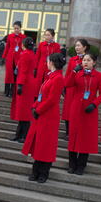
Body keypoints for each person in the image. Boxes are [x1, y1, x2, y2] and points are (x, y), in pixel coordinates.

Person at [22, 53, 66, 183]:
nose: (46, 63)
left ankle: (43, 173)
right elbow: (42, 95)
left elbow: (52, 99)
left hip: (49, 115)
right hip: (42, 114)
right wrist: (35, 106)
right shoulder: (50, 76)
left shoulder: (58, 78)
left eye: (47, 61)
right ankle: (35, 171)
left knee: (46, 145)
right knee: (38, 144)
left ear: (51, 62)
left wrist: (38, 110)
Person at [65, 53, 101, 175]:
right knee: (73, 136)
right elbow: (67, 84)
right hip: (76, 108)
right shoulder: (78, 74)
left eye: (88, 60)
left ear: (94, 62)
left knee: (85, 137)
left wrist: (94, 104)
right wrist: (73, 71)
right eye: (84, 60)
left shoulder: (99, 76)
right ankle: (72, 164)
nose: (85, 62)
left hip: (90, 110)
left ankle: (81, 165)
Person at [62, 39, 90, 140]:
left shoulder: (87, 59)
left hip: (81, 88)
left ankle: (76, 131)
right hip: (71, 87)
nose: (76, 48)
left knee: (78, 110)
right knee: (68, 110)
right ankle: (68, 132)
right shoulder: (72, 59)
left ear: (84, 47)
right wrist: (64, 86)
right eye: (76, 46)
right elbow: (68, 73)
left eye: (79, 46)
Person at [10, 37, 36, 143]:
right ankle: (19, 134)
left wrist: (20, 84)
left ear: (23, 45)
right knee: (24, 111)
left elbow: (23, 71)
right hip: (29, 83)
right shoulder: (32, 54)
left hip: (25, 83)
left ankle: (23, 135)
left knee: (24, 111)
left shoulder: (25, 54)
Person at [3, 21, 26, 97]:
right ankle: (6, 91)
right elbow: (7, 47)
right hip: (10, 57)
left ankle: (12, 92)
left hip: (18, 58)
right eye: (15, 28)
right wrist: (4, 56)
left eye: (17, 28)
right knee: (8, 74)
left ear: (20, 28)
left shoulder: (23, 37)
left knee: (15, 75)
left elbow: (24, 48)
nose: (16, 30)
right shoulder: (10, 36)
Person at [35, 29, 61, 94]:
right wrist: (35, 68)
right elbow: (37, 57)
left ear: (53, 36)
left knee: (47, 85)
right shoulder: (41, 44)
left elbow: (58, 59)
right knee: (38, 85)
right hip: (41, 68)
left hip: (51, 69)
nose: (46, 37)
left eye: (48, 35)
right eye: (45, 35)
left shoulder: (57, 46)